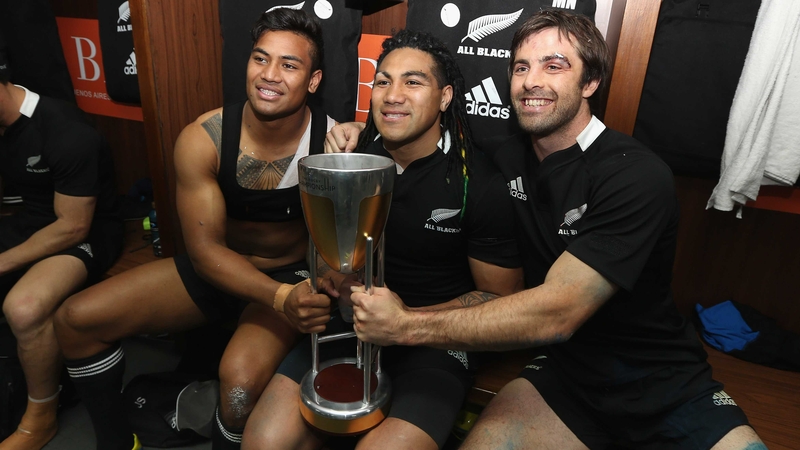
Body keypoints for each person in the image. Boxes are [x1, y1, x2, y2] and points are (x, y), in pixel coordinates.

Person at [333, 10, 766, 450]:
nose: (531, 81)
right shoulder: (505, 158)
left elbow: (558, 312)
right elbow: (425, 138)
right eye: (521, 67)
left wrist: (405, 325)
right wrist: (359, 132)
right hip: (564, 376)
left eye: (554, 66)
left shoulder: (634, 174)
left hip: (661, 379)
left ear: (590, 82)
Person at [52, 9, 335, 450]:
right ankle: (115, 441)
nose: (270, 75)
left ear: (312, 82)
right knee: (75, 320)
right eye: (261, 59)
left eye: (289, 65)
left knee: (238, 383)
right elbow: (204, 252)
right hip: (219, 270)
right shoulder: (203, 138)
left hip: (288, 276)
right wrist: (278, 298)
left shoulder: (332, 145)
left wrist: (288, 295)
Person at [241, 29, 523, 450]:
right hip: (349, 325)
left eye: (413, 82)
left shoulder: (478, 184)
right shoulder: (349, 161)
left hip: (435, 342)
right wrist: (327, 275)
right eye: (383, 81)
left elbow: (500, 300)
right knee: (264, 442)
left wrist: (406, 321)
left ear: (445, 97)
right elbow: (317, 249)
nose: (392, 95)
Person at [0, 59, 123, 449]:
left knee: (25, 306)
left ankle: (42, 416)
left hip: (83, 230)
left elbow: (72, 226)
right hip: (31, 221)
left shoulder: (64, 130)